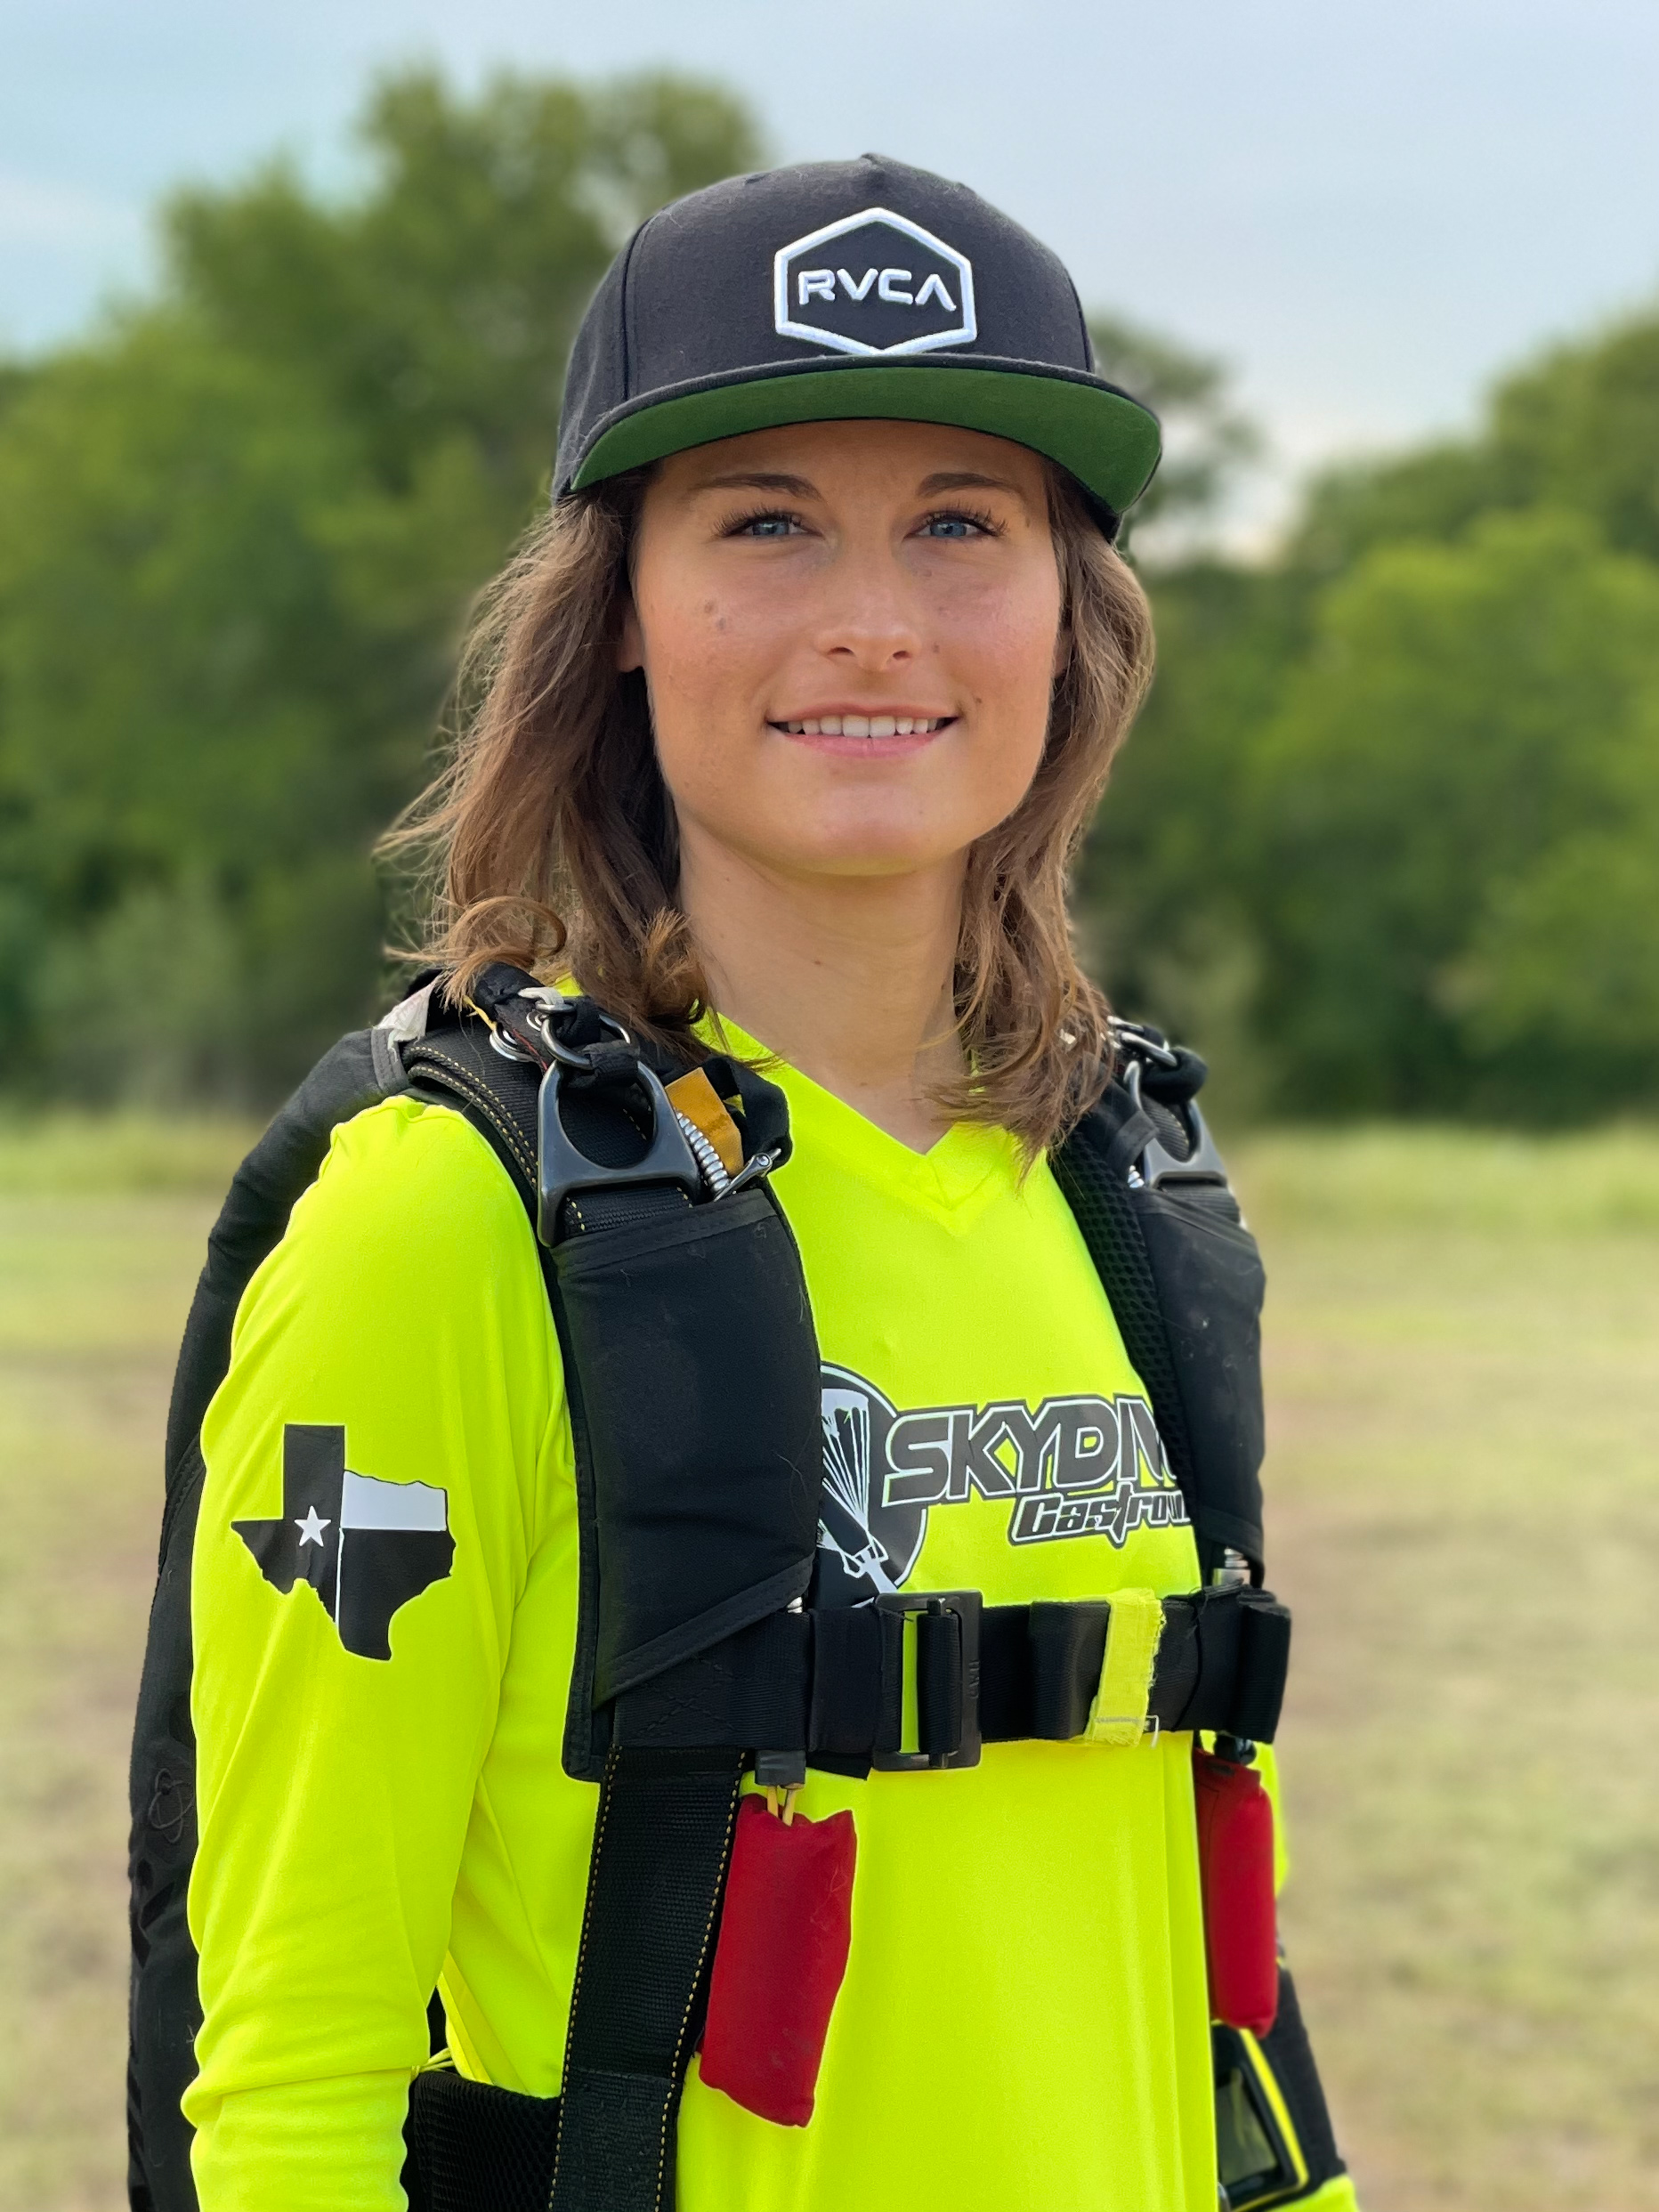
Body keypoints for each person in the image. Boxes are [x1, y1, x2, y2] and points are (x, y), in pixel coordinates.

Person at [180, 156, 1357, 2211]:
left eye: (960, 525)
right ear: (617, 614)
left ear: (1069, 623)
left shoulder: (1126, 1195)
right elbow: (292, 2084)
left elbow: (1206, 1979)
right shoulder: (446, 1225)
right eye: (766, 523)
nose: (874, 619)